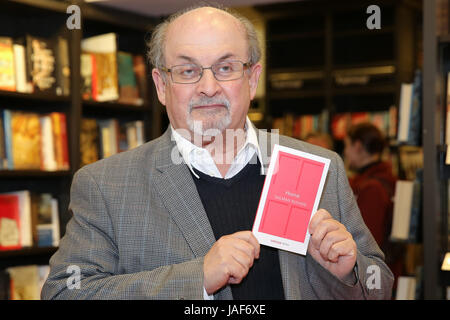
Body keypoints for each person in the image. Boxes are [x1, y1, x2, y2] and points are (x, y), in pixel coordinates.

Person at [41, 5, 393, 300]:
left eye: (225, 68)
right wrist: (197, 278)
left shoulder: (319, 167)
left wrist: (348, 272)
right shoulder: (106, 185)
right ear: (162, 86)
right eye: (188, 71)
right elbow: (65, 293)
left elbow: (380, 284)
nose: (208, 88)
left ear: (252, 79)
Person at [343, 122, 403, 286]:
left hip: (372, 278)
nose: (345, 152)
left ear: (358, 146)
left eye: (347, 146)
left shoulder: (371, 188)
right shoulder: (388, 179)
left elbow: (366, 243)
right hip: (385, 273)